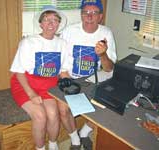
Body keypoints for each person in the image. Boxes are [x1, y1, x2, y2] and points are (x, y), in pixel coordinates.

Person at [58, 0, 117, 149]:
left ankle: (84, 132)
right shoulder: (69, 31)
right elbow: (60, 57)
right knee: (63, 108)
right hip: (70, 78)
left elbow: (109, 69)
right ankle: (75, 139)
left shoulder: (106, 33)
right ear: (81, 15)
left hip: (94, 79)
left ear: (100, 16)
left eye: (94, 12)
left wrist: (103, 55)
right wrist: (66, 78)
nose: (89, 16)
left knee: (110, 103)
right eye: (85, 12)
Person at [10, 6, 69, 150]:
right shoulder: (29, 42)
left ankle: (53, 144)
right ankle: (40, 148)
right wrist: (31, 94)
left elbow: (63, 71)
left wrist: (71, 89)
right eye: (47, 19)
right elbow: (18, 71)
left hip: (48, 85)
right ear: (40, 24)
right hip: (25, 84)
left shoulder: (62, 44)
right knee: (40, 116)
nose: (51, 23)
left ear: (58, 24)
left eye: (55, 20)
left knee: (53, 114)